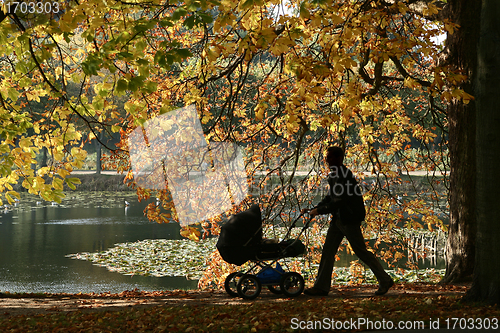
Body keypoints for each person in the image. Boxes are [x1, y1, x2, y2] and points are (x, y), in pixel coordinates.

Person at [301, 146, 394, 296]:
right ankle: (321, 287)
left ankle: (385, 280)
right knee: (328, 251)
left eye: (331, 157)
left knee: (361, 252)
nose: (327, 160)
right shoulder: (335, 175)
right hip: (339, 218)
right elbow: (331, 197)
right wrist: (316, 207)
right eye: (327, 158)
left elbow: (338, 201)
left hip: (349, 218)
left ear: (339, 158)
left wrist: (318, 211)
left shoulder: (344, 175)